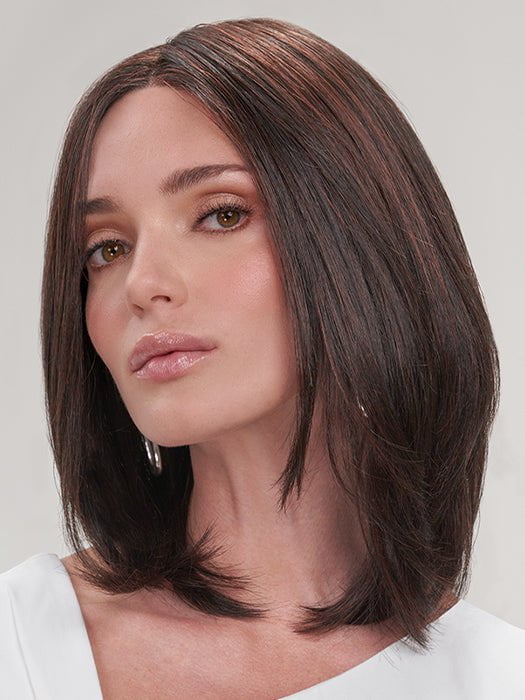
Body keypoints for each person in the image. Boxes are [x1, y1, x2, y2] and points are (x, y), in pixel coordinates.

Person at [1, 16, 524, 699]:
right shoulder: (19, 640)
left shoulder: (497, 678)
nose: (141, 283)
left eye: (221, 214)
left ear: (359, 241)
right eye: (107, 247)